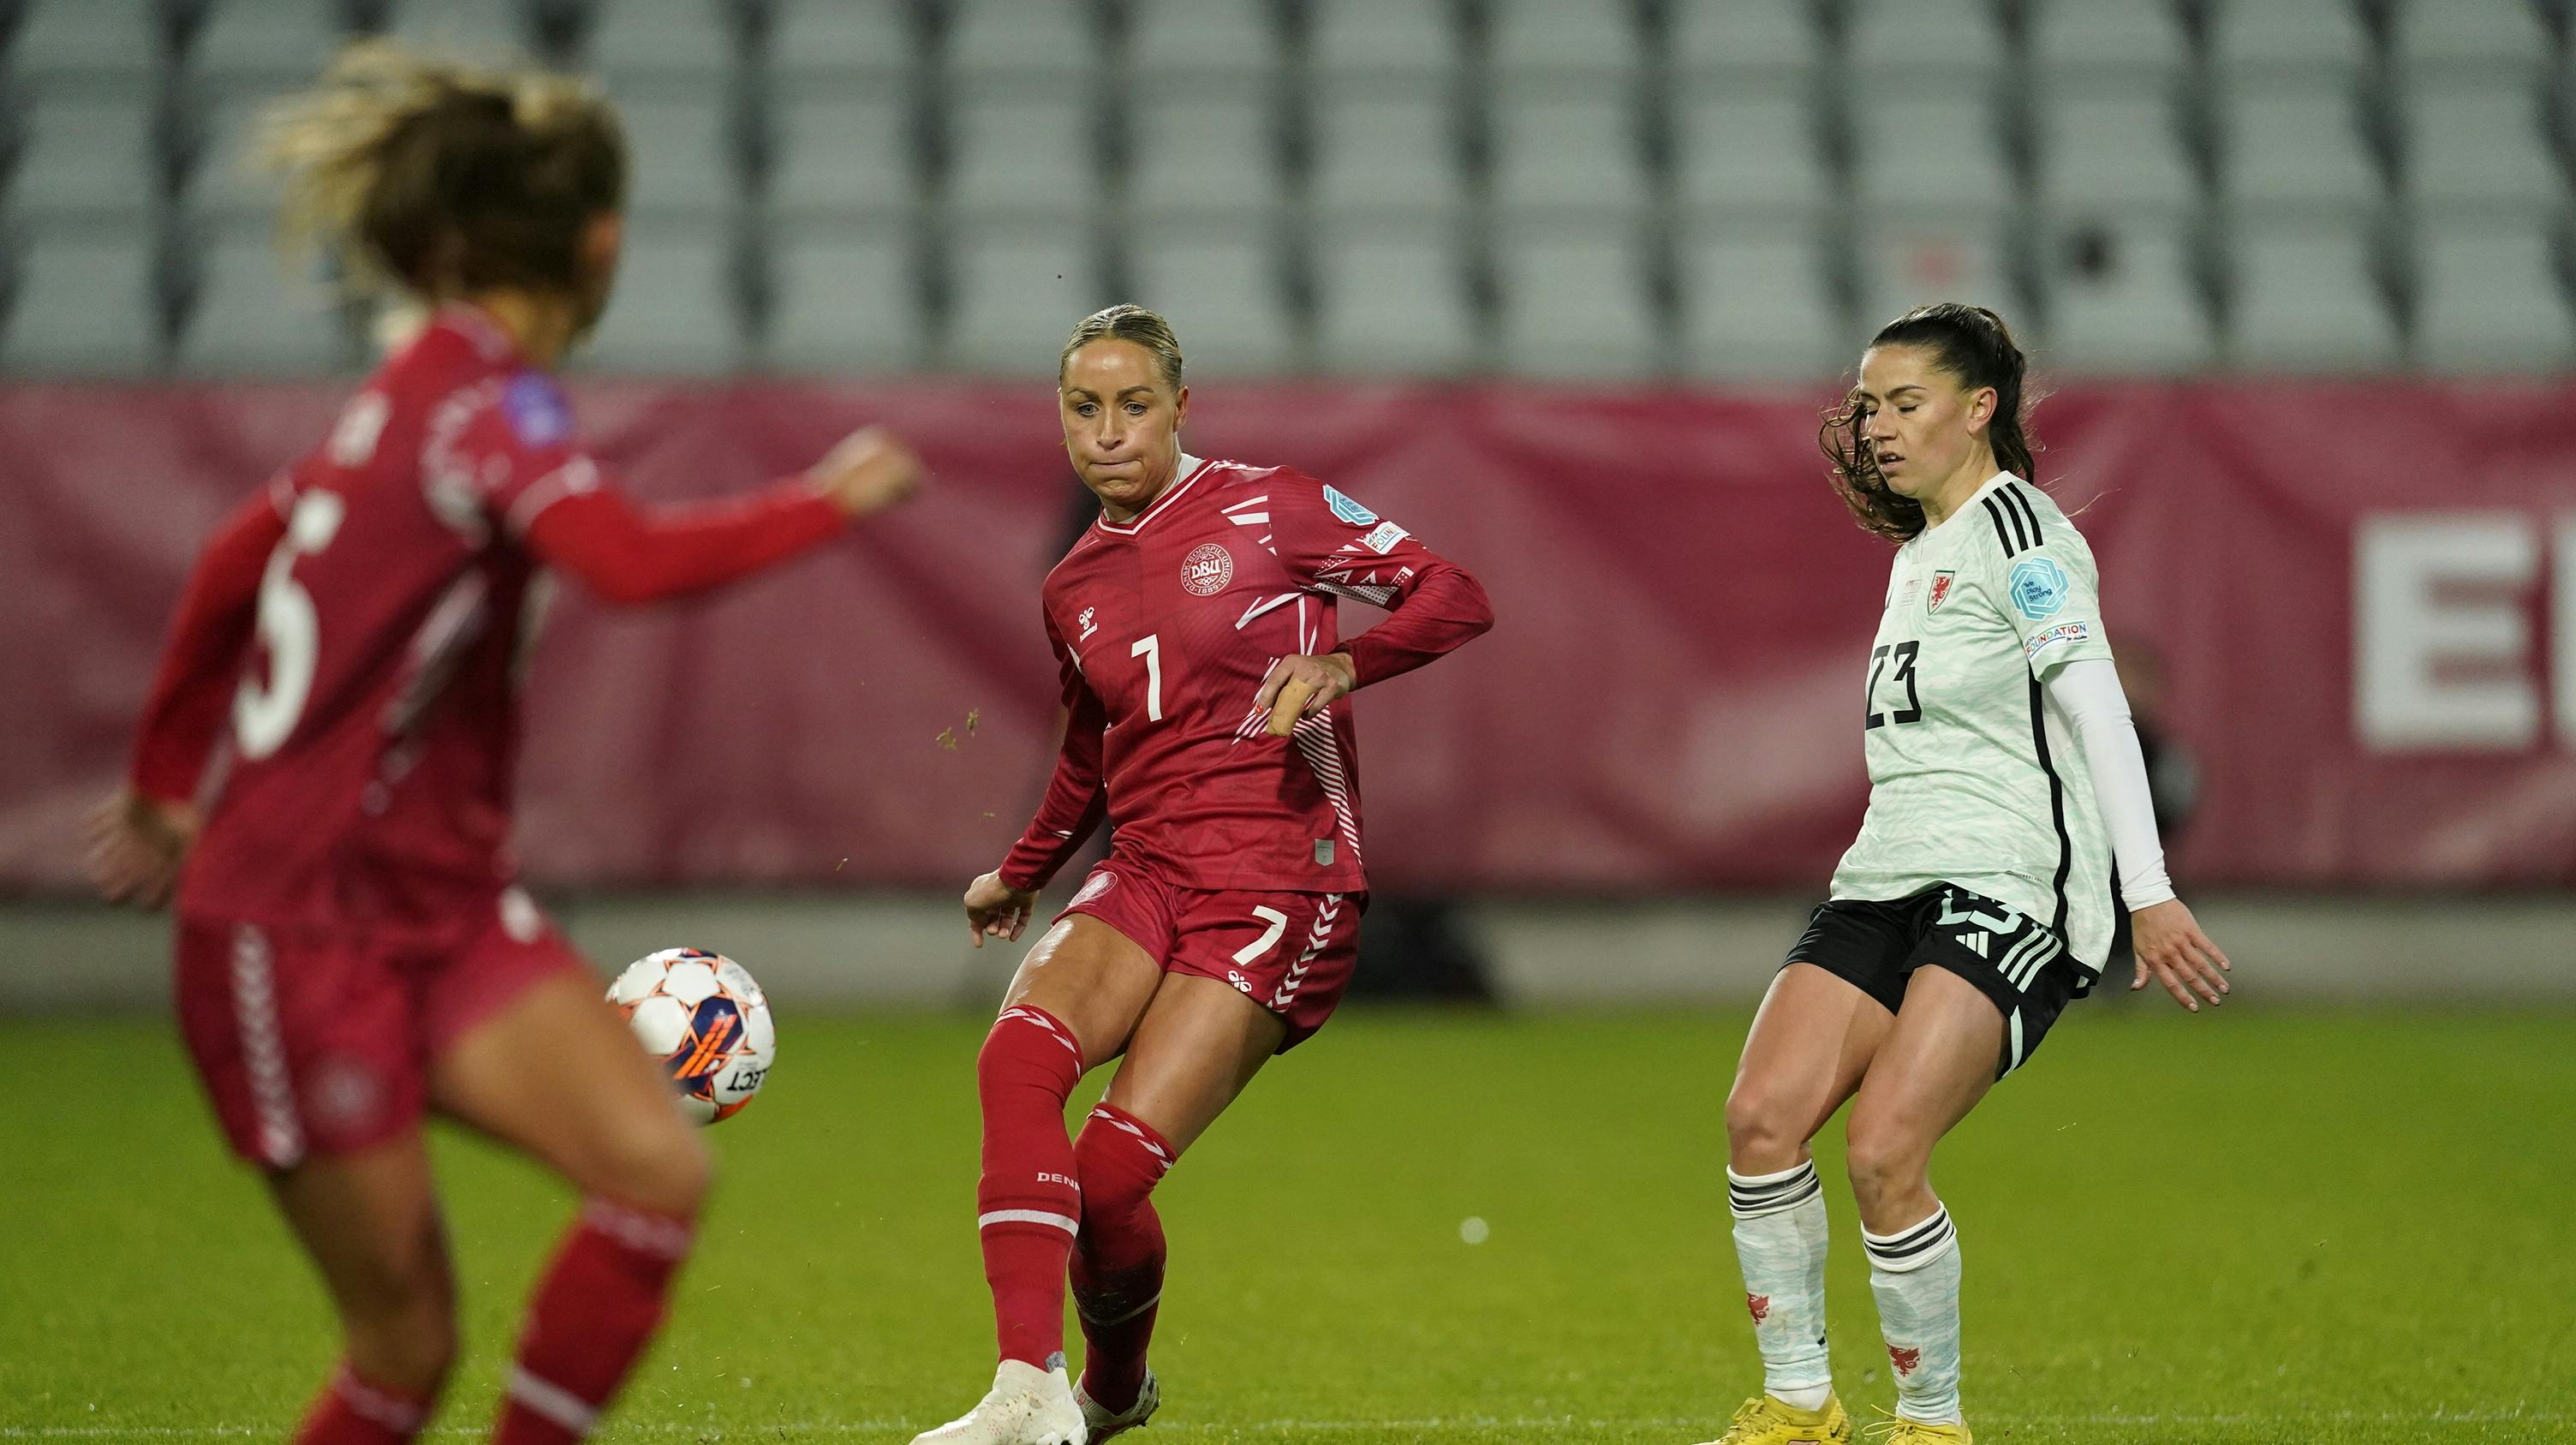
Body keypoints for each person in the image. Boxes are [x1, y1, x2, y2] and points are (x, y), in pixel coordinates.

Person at [82, 42, 921, 1445]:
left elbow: (241, 552)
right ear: (598, 243)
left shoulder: (414, 388)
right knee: (403, 1351)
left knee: (656, 1173)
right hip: (295, 928)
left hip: (444, 902)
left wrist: (167, 777)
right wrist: (830, 498)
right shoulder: (489, 403)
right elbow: (629, 563)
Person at [916, 304, 1493, 1445]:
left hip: (1285, 883)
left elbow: (1454, 595)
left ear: (1182, 407)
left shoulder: (1272, 505)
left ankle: (1113, 1385)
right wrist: (1021, 869)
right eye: (1086, 408)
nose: (1110, 431)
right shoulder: (1072, 580)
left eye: (1135, 406)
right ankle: (1028, 1389)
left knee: (1110, 1182)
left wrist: (1342, 661)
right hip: (1144, 869)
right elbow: (1090, 748)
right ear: (1062, 420)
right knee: (1016, 1058)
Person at [1700, 304, 2232, 1445]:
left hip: (2012, 881)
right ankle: (1801, 1405)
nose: (1878, 426)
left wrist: (2148, 888)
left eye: (1905, 402)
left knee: (1886, 1150)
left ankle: (1932, 1424)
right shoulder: (1923, 552)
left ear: (1978, 408)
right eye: (1868, 405)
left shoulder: (2018, 531)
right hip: (1887, 872)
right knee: (1760, 1119)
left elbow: (2097, 707)